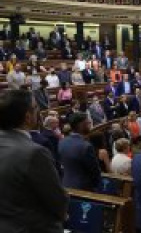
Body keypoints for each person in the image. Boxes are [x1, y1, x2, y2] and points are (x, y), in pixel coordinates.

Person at [0, 89, 68, 232]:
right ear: (28, 117)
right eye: (36, 107)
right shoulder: (35, 153)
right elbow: (58, 203)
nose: (39, 111)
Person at [59, 112, 101, 191]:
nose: (90, 124)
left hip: (66, 184)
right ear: (81, 125)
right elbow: (95, 172)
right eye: (88, 122)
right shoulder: (86, 146)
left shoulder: (62, 142)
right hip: (84, 188)